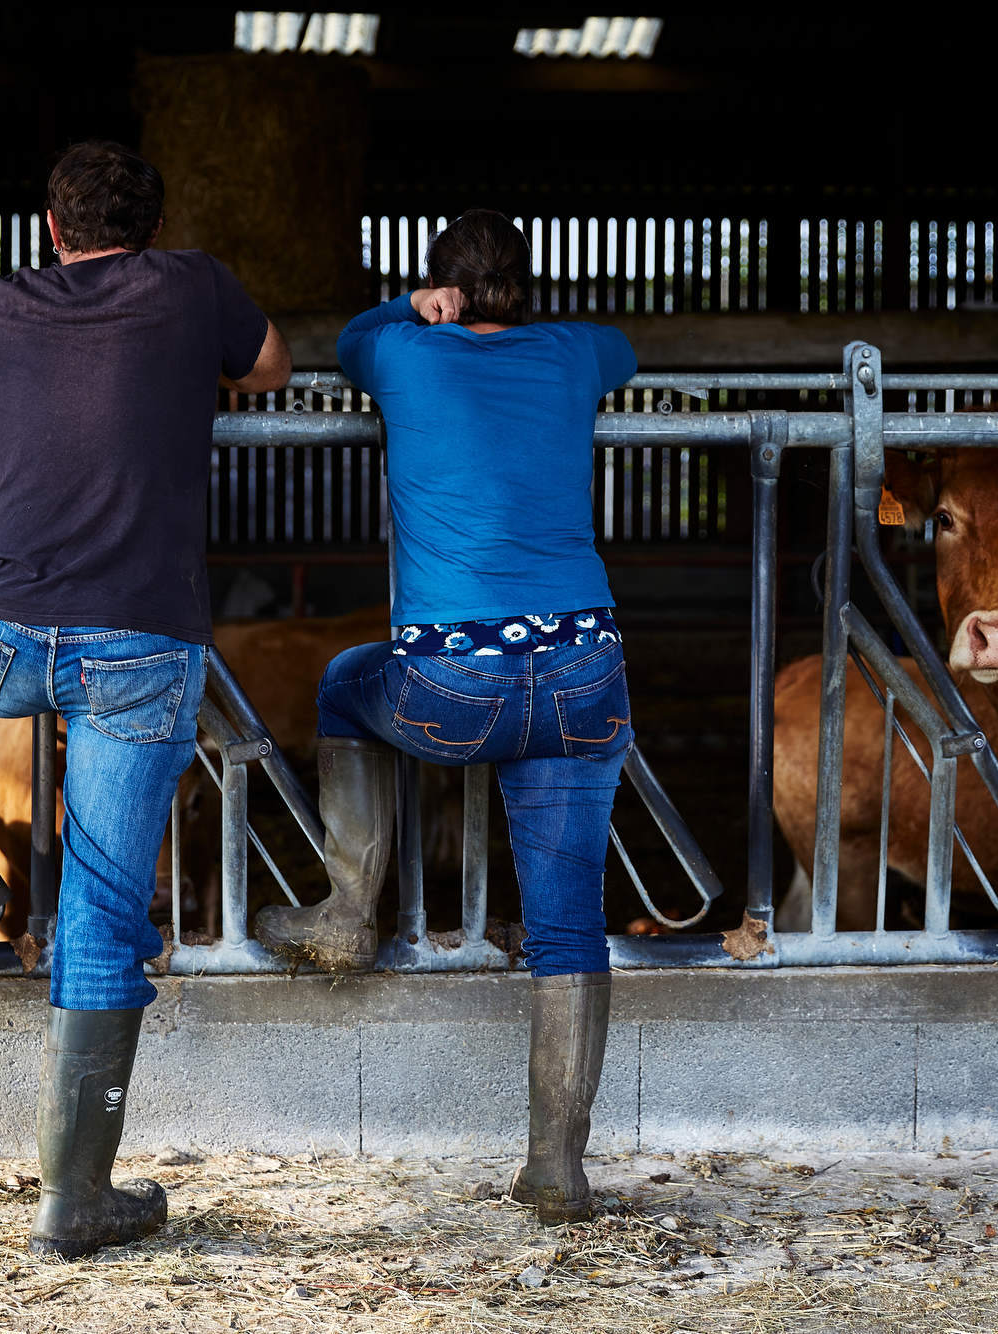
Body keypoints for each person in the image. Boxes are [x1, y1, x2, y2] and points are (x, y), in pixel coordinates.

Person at [0, 140, 291, 1258]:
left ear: (51, 227)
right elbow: (270, 367)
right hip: (140, 644)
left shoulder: (2, 301)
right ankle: (74, 1198)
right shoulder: (192, 286)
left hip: (2, 631)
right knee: (104, 908)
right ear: (153, 227)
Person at [254, 209, 635, 1225]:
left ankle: (346, 911)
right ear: (524, 284)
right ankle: (556, 1170)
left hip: (451, 688)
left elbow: (347, 338)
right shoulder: (571, 351)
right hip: (582, 670)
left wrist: (408, 306)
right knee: (567, 922)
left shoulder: (401, 351)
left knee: (344, 680)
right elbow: (625, 348)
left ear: (441, 285)